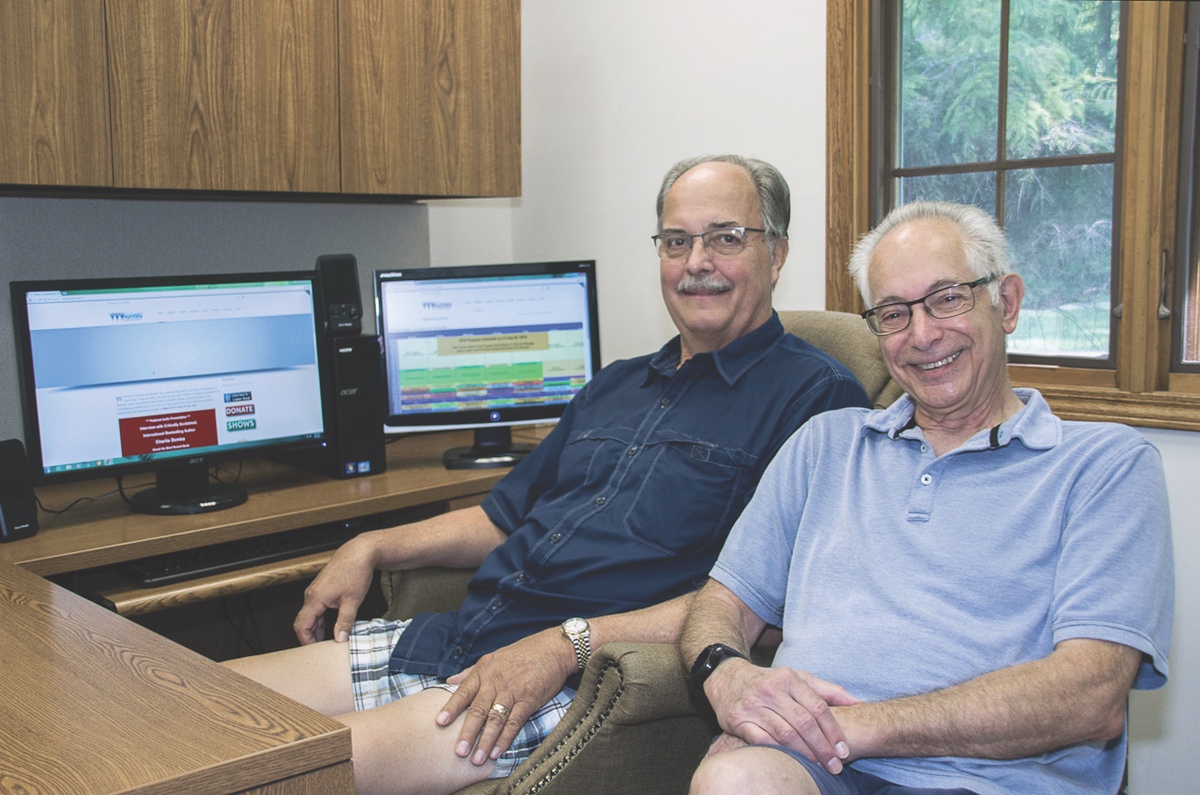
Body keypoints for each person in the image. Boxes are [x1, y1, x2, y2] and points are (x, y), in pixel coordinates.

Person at [224, 154, 871, 795]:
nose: (697, 261)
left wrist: (566, 645)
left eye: (726, 238)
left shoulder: (814, 399)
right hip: (457, 637)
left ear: (777, 253)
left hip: (565, 683)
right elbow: (498, 518)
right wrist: (369, 544)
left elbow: (765, 603)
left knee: (266, 768)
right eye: (677, 240)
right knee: (193, 704)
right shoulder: (616, 383)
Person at [679, 200, 1175, 795]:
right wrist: (726, 674)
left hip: (993, 780)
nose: (922, 335)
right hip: (812, 768)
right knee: (733, 781)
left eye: (948, 299)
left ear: (1007, 303)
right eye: (892, 313)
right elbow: (722, 602)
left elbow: (1089, 697)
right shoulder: (824, 445)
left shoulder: (1105, 465)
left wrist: (845, 728)